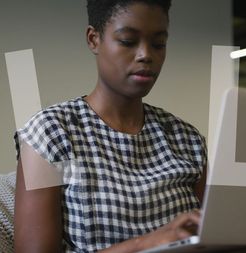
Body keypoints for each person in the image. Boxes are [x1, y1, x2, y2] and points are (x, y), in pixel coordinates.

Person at [13, 0, 207, 252]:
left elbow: (219, 234)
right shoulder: (49, 133)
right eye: (128, 41)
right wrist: (145, 244)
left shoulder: (187, 139)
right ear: (94, 39)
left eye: (159, 44)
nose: (146, 55)